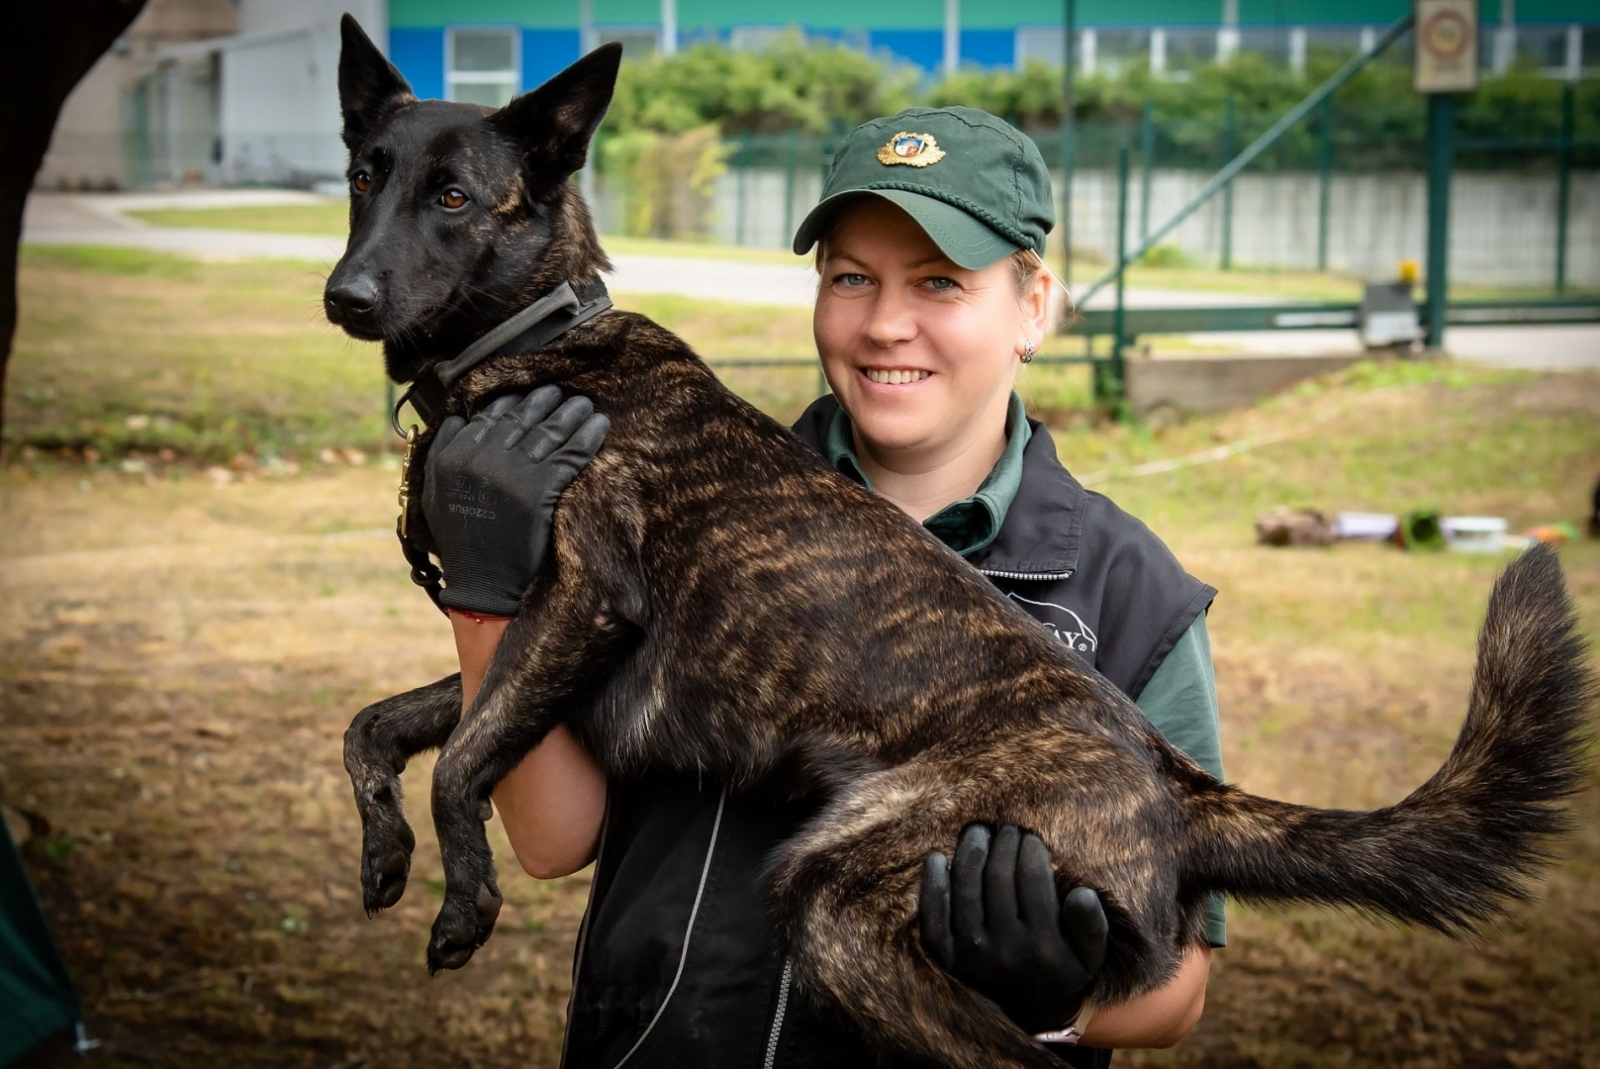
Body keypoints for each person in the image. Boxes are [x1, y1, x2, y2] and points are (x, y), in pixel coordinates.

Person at [419, 106, 1222, 1068]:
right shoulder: (685, 491)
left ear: (1033, 306)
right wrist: (486, 590)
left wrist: (1054, 1002)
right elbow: (555, 840)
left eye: (940, 282)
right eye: (851, 277)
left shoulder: (1130, 593)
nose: (886, 323)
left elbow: (1176, 992)